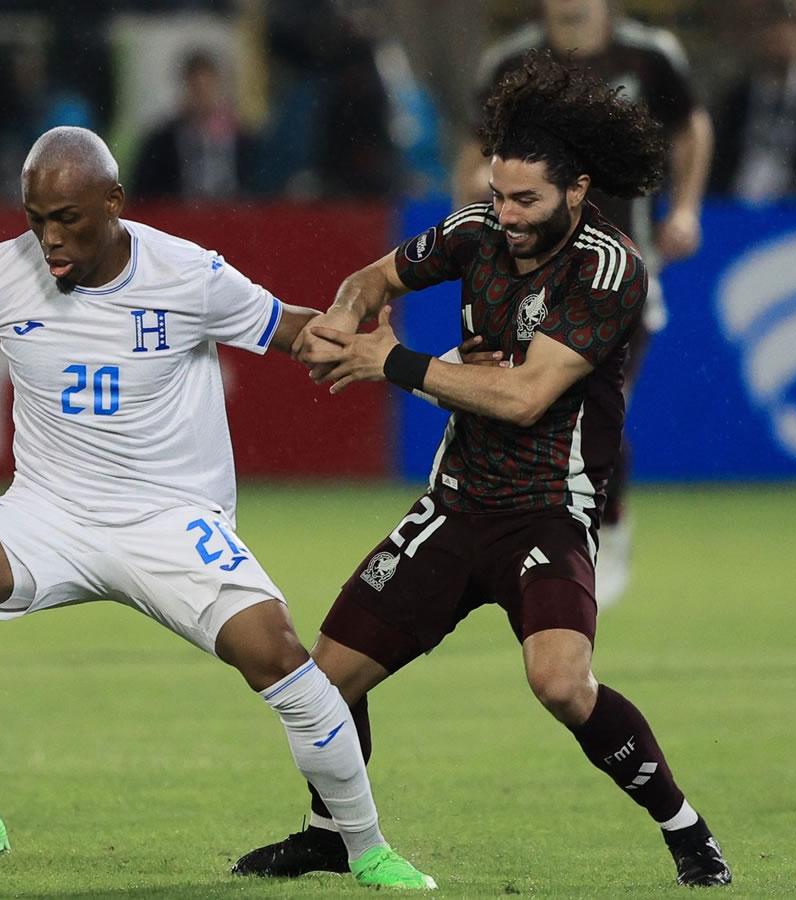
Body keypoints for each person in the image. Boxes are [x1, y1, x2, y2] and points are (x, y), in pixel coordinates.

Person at [231, 51, 731, 888]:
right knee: (326, 681)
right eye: (497, 193)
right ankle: (328, 832)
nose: (505, 214)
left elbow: (529, 395)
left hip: (547, 510)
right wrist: (344, 320)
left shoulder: (610, 271)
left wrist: (392, 361)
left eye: (526, 199)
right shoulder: (476, 231)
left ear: (577, 191)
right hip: (456, 506)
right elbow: (374, 275)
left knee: (562, 684)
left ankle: (683, 827)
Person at [0, 126, 434, 890]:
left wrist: (360, 342)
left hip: (169, 521)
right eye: (34, 219)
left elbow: (288, 330)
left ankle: (367, 846)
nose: (49, 240)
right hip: (48, 513)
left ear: (113, 202)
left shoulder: (187, 275)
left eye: (67, 219)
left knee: (278, 653)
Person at [453, 0, 713, 609]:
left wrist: (687, 207)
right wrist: (481, 200)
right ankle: (535, 542)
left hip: (616, 274)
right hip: (525, 280)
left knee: (594, 412)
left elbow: (690, 126)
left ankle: (605, 533)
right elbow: (472, 157)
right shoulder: (510, 61)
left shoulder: (648, 57)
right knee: (525, 413)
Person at [710, 0, 796, 200]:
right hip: (739, 203)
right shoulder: (739, 97)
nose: (782, 39)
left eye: (790, 31)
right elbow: (720, 161)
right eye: (773, 30)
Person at [132, 49, 257, 200]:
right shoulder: (161, 142)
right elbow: (145, 193)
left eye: (208, 89)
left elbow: (258, 187)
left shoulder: (244, 140)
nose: (203, 99)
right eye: (196, 90)